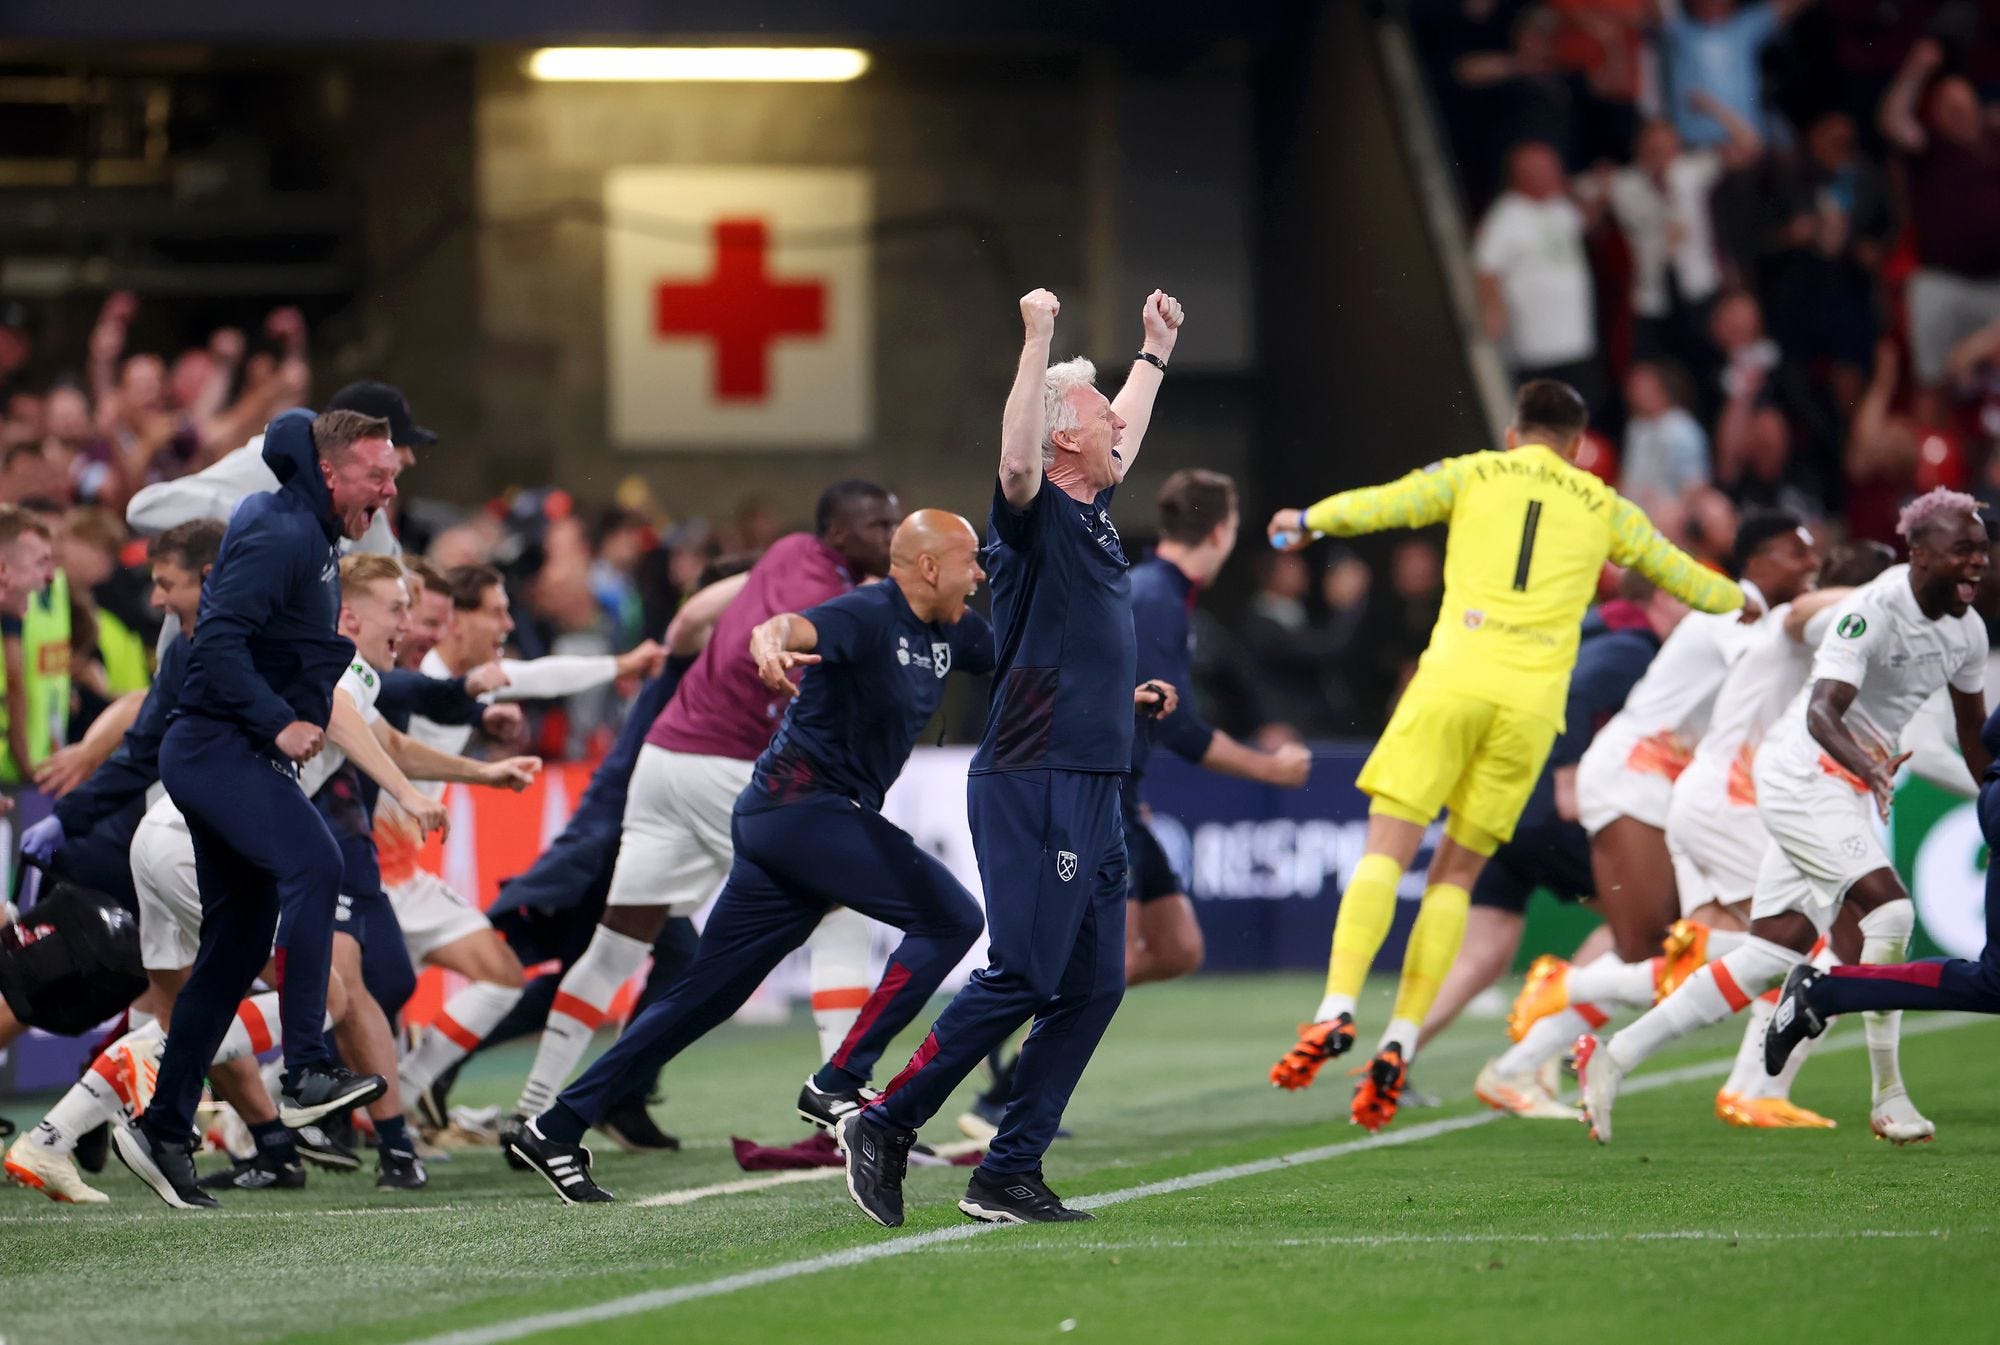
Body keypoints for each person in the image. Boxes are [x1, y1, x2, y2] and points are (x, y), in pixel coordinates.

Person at [1262, 379, 1748, 1133]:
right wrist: (1748, 601)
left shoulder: (1474, 472)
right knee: (1455, 872)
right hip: (1527, 711)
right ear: (1579, 445)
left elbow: (1382, 504)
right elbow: (1679, 574)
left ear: (1517, 433)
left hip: (1451, 681)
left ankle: (1337, 1005)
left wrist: (1307, 521)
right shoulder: (1604, 505)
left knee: (1386, 850)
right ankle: (1399, 1036)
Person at [505, 511, 996, 1202]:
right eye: (970, 560)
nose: (980, 573)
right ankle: (839, 1080)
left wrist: (1111, 696)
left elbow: (1023, 662)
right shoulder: (866, 613)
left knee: (702, 995)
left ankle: (554, 1126)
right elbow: (794, 627)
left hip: (791, 821)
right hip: (800, 811)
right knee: (950, 919)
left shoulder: (955, 629)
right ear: (927, 567)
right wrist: (769, 638)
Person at [837, 287, 1184, 1229]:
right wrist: (1036, 338)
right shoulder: (1033, 517)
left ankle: (1008, 1170)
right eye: (1104, 416)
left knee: (1096, 983)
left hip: (1093, 782)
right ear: (1066, 440)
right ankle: (885, 1118)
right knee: (1027, 970)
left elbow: (1125, 433)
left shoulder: (1100, 512)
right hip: (1036, 777)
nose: (1121, 426)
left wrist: (1153, 353)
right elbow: (1015, 460)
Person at [1577, 488, 1991, 1144]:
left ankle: (1613, 1056)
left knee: (1765, 955)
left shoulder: (1967, 634)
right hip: (1800, 772)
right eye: (1962, 549)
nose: (1978, 561)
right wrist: (1870, 763)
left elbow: (1974, 737)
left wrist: (1991, 798)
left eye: (1982, 549)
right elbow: (1821, 710)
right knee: (1890, 914)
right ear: (1920, 553)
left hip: (1842, 783)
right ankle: (1888, 1095)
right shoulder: (1872, 611)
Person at [507, 480, 899, 1135]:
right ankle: (845, 1111)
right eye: (878, 524)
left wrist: (683, 676)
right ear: (838, 533)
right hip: (726, 761)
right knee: (839, 912)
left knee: (616, 943)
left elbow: (689, 621)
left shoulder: (782, 552)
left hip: (662, 758)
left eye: (894, 522)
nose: (891, 534)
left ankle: (531, 1110)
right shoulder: (845, 598)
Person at [961, 469, 1314, 1144]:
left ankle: (1013, 1061)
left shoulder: (1168, 596)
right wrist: (1268, 767)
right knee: (1088, 963)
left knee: (1177, 948)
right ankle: (1006, 1089)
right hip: (1098, 790)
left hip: (1124, 790)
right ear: (1222, 530)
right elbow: (1172, 724)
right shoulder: (1154, 597)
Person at [115, 407, 402, 1210]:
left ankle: (163, 1128)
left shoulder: (310, 528)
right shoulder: (283, 531)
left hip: (234, 749)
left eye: (392, 476)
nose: (388, 489)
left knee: (236, 950)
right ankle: (306, 1062)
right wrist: (278, 717)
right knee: (316, 861)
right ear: (333, 471)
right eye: (377, 474)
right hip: (216, 748)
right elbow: (215, 643)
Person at [1508, 512, 1819, 1047]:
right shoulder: (1727, 608)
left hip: (1671, 788)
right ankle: (1554, 1014)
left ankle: (1532, 1051)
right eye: (1798, 552)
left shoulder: (1768, 622)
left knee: (1683, 947)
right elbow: (1763, 668)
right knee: (1655, 950)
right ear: (1757, 562)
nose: (1812, 563)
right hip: (1631, 778)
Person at [374, 562, 661, 1137]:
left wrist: (618, 665)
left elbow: (536, 676)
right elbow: (405, 745)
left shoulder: (448, 682)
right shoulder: (413, 682)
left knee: (387, 997)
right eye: (497, 611)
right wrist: (485, 761)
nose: (508, 623)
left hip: (397, 870)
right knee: (341, 1002)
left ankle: (396, 1105)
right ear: (456, 620)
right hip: (371, 870)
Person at [1414, 574, 1685, 1116]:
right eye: (1684, 595)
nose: (1695, 608)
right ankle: (1540, 1047)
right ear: (1654, 597)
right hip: (1547, 806)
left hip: (1499, 799)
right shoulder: (1631, 647)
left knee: (1482, 952)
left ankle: (1390, 1060)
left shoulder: (1579, 631)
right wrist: (1566, 774)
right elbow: (1581, 692)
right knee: (1642, 923)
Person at [1473, 144, 1602, 407]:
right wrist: (1493, 308)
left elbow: (1585, 224)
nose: (1557, 173)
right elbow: (1486, 268)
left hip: (1577, 340)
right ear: (1522, 174)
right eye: (1547, 169)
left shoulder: (1559, 206)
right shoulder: (1507, 215)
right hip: (1538, 348)